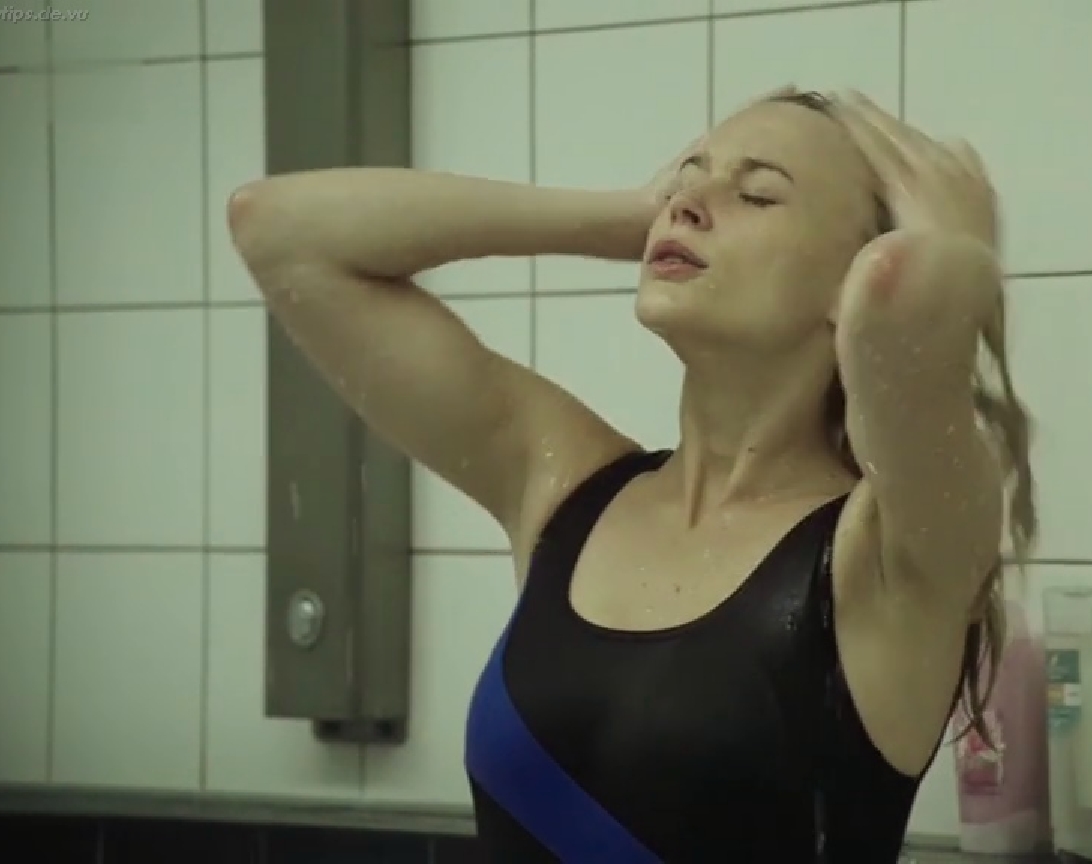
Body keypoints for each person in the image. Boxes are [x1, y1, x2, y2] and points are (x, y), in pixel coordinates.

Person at [229, 87, 1037, 864]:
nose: (688, 204)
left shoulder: (888, 560)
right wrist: (631, 214)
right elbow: (278, 230)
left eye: (757, 195)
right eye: (686, 179)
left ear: (847, 283)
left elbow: (900, 318)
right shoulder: (567, 491)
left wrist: (955, 256)